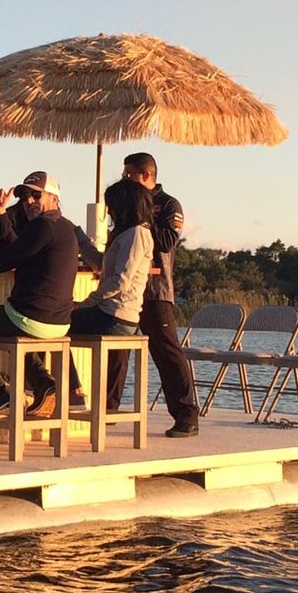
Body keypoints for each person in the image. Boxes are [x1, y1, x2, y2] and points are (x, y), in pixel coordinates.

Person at [0, 170, 81, 420]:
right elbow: (16, 250)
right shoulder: (62, 227)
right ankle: (44, 383)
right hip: (58, 323)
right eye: (23, 196)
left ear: (54, 198)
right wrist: (0, 213)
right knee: (14, 325)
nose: (29, 201)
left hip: (31, 317)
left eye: (36, 195)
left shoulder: (43, 226)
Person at [120, 151, 200, 436]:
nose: (124, 180)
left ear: (145, 176)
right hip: (128, 290)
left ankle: (187, 416)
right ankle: (108, 407)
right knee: (116, 347)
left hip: (156, 290)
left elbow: (166, 241)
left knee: (166, 352)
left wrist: (142, 216)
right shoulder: (124, 203)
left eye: (128, 175)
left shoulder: (168, 204)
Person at [65, 177, 156, 409]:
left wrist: (86, 303)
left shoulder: (137, 234)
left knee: (52, 326)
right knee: (54, 326)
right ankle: (80, 394)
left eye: (111, 206)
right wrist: (78, 234)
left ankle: (71, 390)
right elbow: (100, 264)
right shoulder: (127, 234)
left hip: (114, 315)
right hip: (115, 314)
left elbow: (120, 280)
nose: (109, 212)